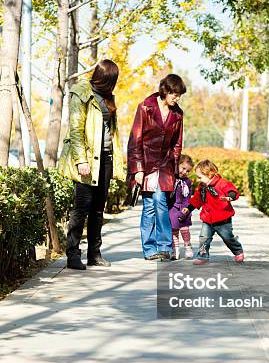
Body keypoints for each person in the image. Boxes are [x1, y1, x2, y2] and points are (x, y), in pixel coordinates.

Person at [58, 59, 125, 270]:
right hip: (87, 160)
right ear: (104, 78)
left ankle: (94, 254)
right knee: (81, 208)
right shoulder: (81, 93)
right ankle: (73, 255)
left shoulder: (107, 96)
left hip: (105, 157)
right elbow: (76, 130)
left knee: (98, 209)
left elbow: (112, 131)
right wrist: (81, 161)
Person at [127, 74, 185, 261]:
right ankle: (149, 249)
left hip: (166, 165)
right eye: (174, 94)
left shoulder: (178, 114)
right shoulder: (145, 107)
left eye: (179, 95)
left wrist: (175, 170)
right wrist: (137, 168)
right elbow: (135, 139)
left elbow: (177, 143)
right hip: (146, 162)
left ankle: (165, 247)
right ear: (165, 91)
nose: (177, 98)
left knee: (160, 201)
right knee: (149, 207)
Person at [181, 159, 244, 265]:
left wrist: (229, 197)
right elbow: (197, 199)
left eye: (200, 177)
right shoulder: (202, 187)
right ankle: (203, 256)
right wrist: (188, 208)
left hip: (223, 219)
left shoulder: (222, 183)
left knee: (228, 238)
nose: (199, 180)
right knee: (203, 239)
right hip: (207, 219)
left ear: (209, 174)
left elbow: (232, 190)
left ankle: (238, 251)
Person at [168, 154, 194, 260]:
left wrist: (187, 209)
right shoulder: (171, 178)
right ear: (177, 165)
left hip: (184, 207)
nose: (184, 172)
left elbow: (188, 197)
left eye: (188, 171)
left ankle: (187, 246)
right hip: (172, 208)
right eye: (183, 168)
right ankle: (176, 250)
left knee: (184, 229)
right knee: (174, 230)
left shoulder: (187, 182)